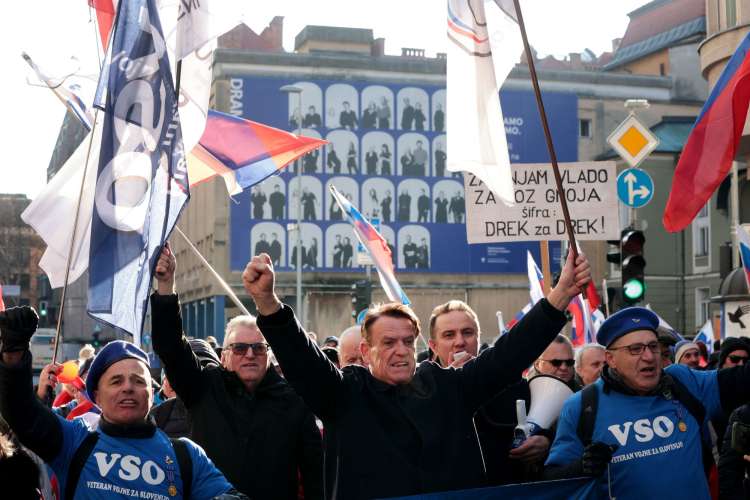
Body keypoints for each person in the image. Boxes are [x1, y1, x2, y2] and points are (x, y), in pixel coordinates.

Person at [240, 250, 590, 499]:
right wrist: (269, 303)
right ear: (365, 352)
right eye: (388, 342)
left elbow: (507, 356)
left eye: (408, 340)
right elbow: (304, 362)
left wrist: (559, 297)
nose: (401, 349)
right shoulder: (345, 394)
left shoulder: (447, 386)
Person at [0, 307, 242, 499]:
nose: (128, 387)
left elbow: (227, 494)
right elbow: (23, 413)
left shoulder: (186, 455)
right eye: (116, 381)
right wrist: (13, 355)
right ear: (96, 394)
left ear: (151, 391)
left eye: (138, 381)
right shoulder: (73, 441)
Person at [151, 249, 324, 499]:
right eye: (240, 348)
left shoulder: (295, 400)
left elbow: (314, 475)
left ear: (268, 353)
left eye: (258, 348)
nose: (250, 355)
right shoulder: (203, 388)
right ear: (224, 356)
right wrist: (166, 285)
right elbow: (170, 346)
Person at [544, 306, 750, 499]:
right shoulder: (583, 405)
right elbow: (552, 480)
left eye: (653, 346)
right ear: (611, 359)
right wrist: (582, 467)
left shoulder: (682, 381)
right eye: (635, 349)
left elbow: (741, 380)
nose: (649, 357)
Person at [428, 300, 553, 486]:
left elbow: (550, 428)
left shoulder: (515, 386)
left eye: (467, 333)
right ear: (433, 346)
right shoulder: (424, 393)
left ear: (478, 338)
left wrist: (545, 442)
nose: (460, 342)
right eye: (449, 335)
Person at [150, 339, 221, 439]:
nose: (195, 378)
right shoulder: (158, 415)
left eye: (204, 371)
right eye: (187, 371)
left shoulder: (235, 407)